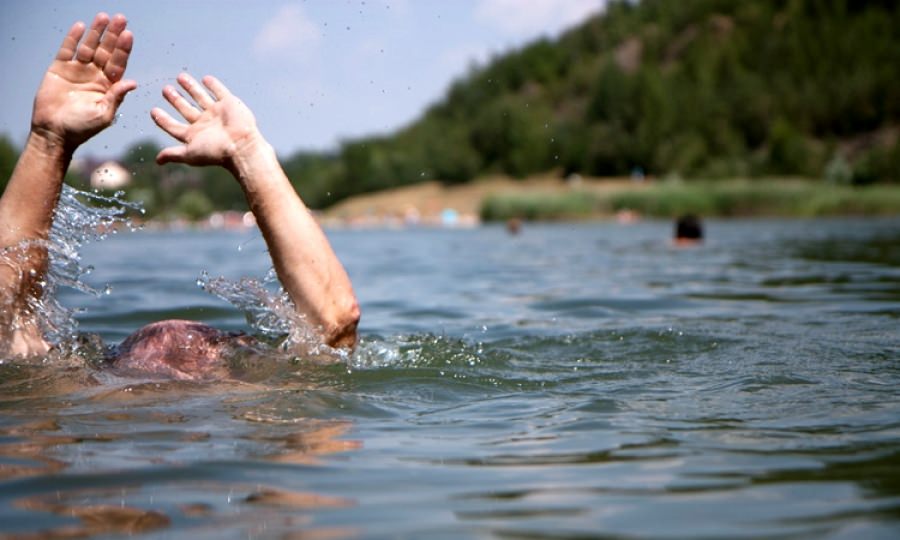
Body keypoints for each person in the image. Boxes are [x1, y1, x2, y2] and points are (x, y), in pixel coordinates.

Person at [0, 13, 359, 379]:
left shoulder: (73, 389)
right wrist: (249, 155)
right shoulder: (259, 399)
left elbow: (8, 316)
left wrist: (49, 143)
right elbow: (332, 325)